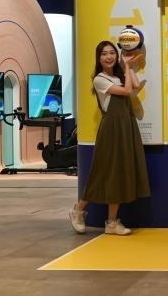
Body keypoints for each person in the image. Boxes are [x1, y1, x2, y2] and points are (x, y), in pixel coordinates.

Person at [69, 41, 151, 235]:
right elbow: (127, 91)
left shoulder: (118, 76)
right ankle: (78, 210)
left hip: (126, 126)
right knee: (103, 172)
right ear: (99, 58)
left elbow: (135, 86)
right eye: (104, 54)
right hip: (112, 129)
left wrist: (127, 67)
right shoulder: (100, 79)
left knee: (119, 173)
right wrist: (127, 67)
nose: (108, 57)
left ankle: (112, 222)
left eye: (112, 53)